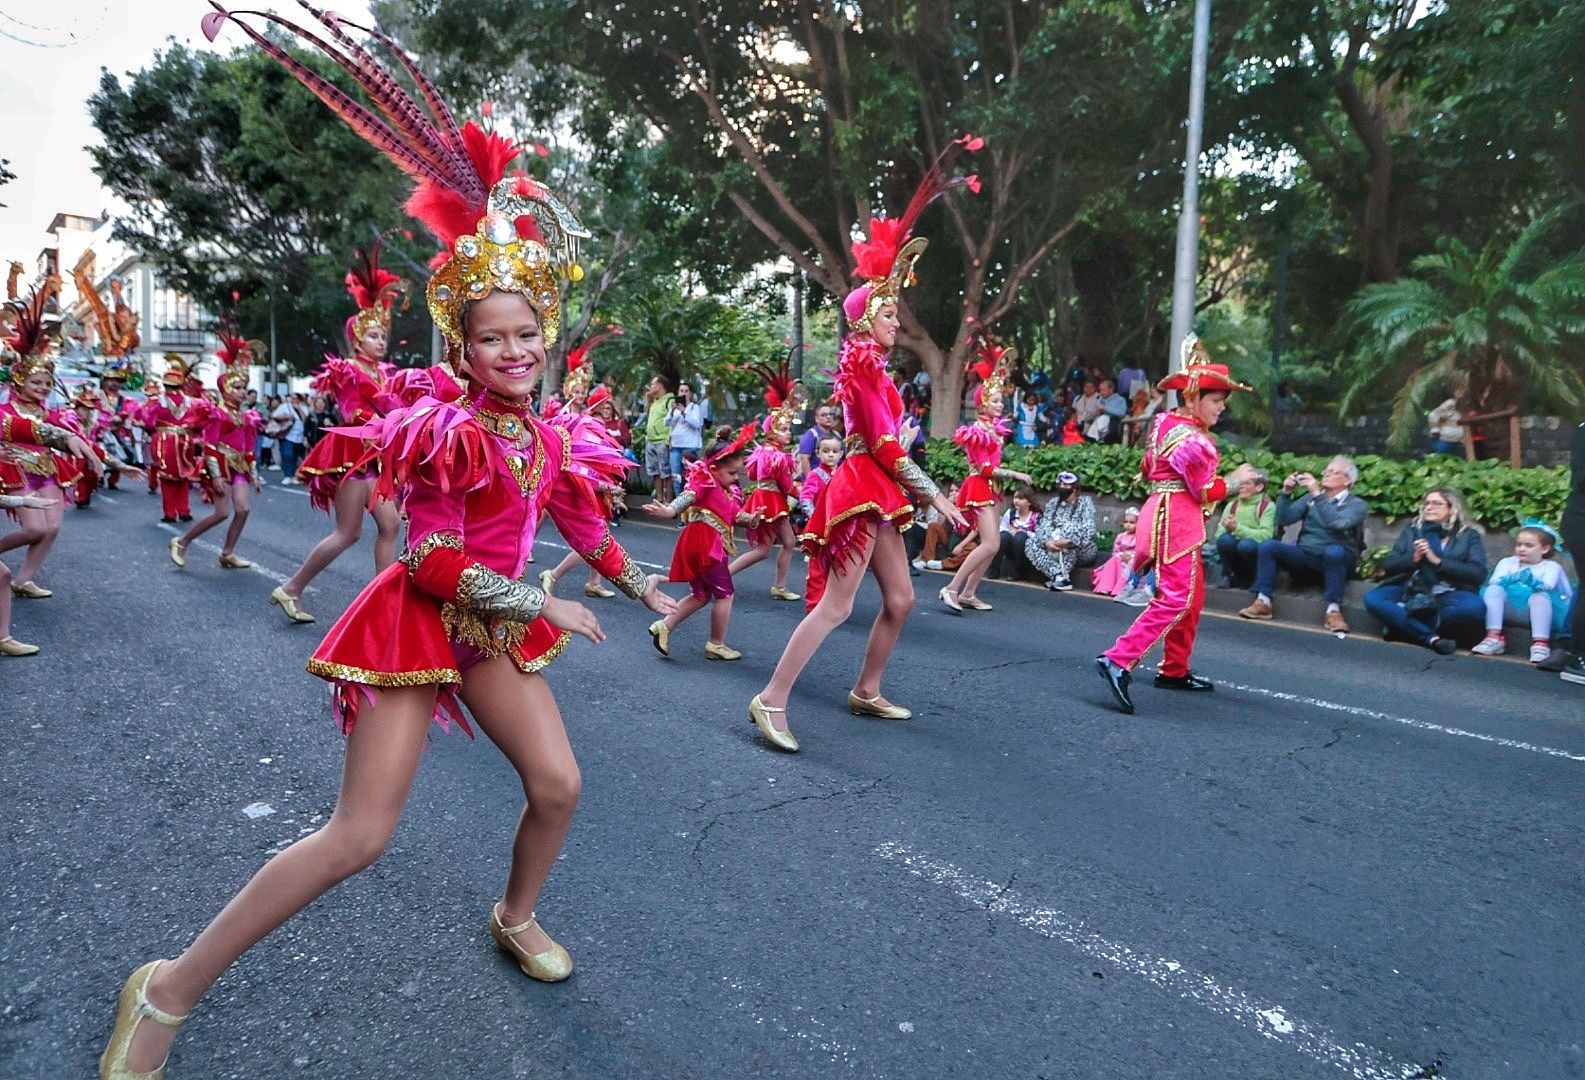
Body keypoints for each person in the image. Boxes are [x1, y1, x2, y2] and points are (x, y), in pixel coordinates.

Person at [99, 17, 677, 1078]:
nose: (512, 351)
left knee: (558, 786)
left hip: (491, 625)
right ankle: (166, 988)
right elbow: (424, 557)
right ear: (462, 346)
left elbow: (583, 519)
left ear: (545, 334)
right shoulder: (445, 428)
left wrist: (639, 580)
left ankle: (515, 913)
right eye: (491, 337)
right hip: (424, 621)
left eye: (525, 333)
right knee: (359, 838)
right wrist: (541, 604)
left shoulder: (547, 432)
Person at [750, 143, 973, 752]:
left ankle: (867, 689)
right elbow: (882, 445)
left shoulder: (877, 369)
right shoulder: (868, 371)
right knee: (837, 607)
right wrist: (936, 497)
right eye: (888, 314)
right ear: (864, 318)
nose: (897, 322)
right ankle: (771, 699)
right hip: (862, 488)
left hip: (879, 491)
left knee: (900, 599)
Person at [1095, 342, 1253, 714]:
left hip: (1170, 512)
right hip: (1177, 519)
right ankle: (1118, 659)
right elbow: (1202, 490)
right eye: (1217, 400)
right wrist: (1236, 481)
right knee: (1176, 597)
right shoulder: (1194, 440)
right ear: (1195, 396)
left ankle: (1174, 669)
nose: (1222, 407)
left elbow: (1150, 468)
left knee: (1192, 597)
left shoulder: (1167, 422)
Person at [270, 240, 406, 624]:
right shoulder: (347, 370)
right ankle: (292, 587)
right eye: (375, 336)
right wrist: (389, 411)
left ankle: (384, 602)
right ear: (357, 337)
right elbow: (354, 412)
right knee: (348, 534)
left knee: (391, 525)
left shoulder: (385, 373)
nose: (382, 342)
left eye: (384, 336)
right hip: (352, 455)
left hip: (375, 458)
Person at [0, 278, 103, 604]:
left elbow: (71, 437)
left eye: (47, 382)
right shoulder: (4, 410)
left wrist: (104, 460)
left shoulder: (52, 414)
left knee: (53, 527)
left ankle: (24, 579)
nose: (44, 387)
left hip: (46, 470)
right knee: (34, 529)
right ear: (20, 380)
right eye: (37, 381)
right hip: (15, 468)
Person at [645, 424, 763, 659]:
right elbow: (688, 496)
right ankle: (716, 643)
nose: (735, 478)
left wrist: (751, 520)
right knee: (725, 594)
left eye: (737, 474)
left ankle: (664, 626)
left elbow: (732, 514)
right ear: (714, 468)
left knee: (700, 595)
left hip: (700, 544)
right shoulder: (706, 482)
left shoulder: (724, 489)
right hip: (706, 546)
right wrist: (670, 510)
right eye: (731, 474)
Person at [940, 334, 1034, 612]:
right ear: (982, 404)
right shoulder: (978, 431)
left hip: (991, 489)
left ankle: (968, 592)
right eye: (994, 400)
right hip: (980, 485)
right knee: (991, 543)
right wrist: (1016, 475)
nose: (999, 404)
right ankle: (951, 587)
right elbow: (985, 468)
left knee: (991, 545)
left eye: (999, 399)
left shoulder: (992, 429)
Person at [167, 326, 264, 572]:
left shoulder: (248, 416)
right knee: (222, 513)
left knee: (243, 509)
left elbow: (249, 447)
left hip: (240, 466)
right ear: (225, 389)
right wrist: (217, 475)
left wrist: (254, 474)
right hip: (221, 465)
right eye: (237, 388)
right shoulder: (217, 414)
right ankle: (182, 541)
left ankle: (228, 553)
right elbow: (210, 445)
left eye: (244, 388)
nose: (242, 392)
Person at [1239, 456, 1369, 632]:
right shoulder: (1310, 498)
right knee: (1269, 546)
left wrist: (1317, 494)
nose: (1327, 475)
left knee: (1334, 552)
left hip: (1337, 560)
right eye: (1326, 471)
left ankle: (1334, 611)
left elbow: (1338, 523)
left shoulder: (1357, 504)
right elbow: (1285, 519)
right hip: (1307, 555)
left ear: (1347, 480)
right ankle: (1263, 602)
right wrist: (1286, 493)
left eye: (1333, 472)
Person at [1361, 488, 1487, 654]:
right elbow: (1390, 566)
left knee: (1474, 608)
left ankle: (1403, 629)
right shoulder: (1413, 529)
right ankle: (1431, 638)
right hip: (1410, 589)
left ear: (1451, 508)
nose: (1429, 507)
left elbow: (1477, 573)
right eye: (1426, 503)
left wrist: (1437, 561)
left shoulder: (1468, 535)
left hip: (1448, 591)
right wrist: (1413, 558)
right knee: (1373, 598)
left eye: (1436, 503)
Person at [729, 358, 805, 600]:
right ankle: (778, 586)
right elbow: (786, 485)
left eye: (788, 429)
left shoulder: (762, 452)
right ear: (772, 431)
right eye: (784, 430)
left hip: (762, 498)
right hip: (772, 501)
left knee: (767, 549)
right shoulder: (779, 457)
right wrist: (804, 493)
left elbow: (751, 475)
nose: (788, 433)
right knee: (785, 543)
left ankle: (774, 584)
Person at [1471, 524, 1574, 664]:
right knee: (1493, 590)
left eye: (1529, 545)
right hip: (1510, 608)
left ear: (1545, 548)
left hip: (1537, 611)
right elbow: (1495, 580)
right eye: (1519, 544)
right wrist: (1509, 579)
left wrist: (1533, 582)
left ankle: (1540, 644)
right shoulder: (1507, 562)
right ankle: (1493, 637)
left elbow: (1548, 585)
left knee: (1540, 596)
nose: (1522, 549)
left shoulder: (1551, 567)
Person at [139, 355, 201, 523]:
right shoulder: (192, 402)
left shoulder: (156, 402)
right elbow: (200, 421)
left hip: (165, 441)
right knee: (184, 477)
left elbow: (149, 423)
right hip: (185, 441)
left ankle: (170, 512)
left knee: (167, 479)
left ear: (165, 385)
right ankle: (184, 510)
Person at [1024, 471, 1097, 591]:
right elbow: (1043, 525)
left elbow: (1089, 529)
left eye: (1066, 485)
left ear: (1075, 488)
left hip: (1079, 548)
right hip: (1053, 544)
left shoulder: (1085, 504)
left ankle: (1061, 577)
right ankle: (1059, 576)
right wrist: (1048, 542)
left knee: (1068, 531)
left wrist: (1067, 541)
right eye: (1061, 484)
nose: (1062, 487)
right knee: (1031, 543)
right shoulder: (1053, 503)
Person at [1214, 465, 1276, 588]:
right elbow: (1219, 534)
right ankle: (1227, 575)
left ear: (1259, 487)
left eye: (1247, 483)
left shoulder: (1267, 507)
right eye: (1240, 483)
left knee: (1246, 545)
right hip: (1234, 551)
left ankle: (1255, 576)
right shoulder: (1232, 505)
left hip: (1252, 551)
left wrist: (1237, 529)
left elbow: (1266, 535)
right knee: (1224, 540)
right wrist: (1227, 527)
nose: (1241, 487)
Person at [989, 485, 1040, 580]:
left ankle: (1019, 572)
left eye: (1020, 498)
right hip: (1010, 548)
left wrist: (1024, 532)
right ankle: (994, 570)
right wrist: (1010, 531)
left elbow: (1040, 536)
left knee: (1020, 537)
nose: (1016, 501)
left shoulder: (1036, 516)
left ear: (1029, 502)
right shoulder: (1010, 513)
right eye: (1015, 498)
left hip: (1026, 550)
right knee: (1003, 536)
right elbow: (1001, 528)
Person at [1091, 506, 1141, 596]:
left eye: (1132, 522)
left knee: (1131, 564)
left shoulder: (1139, 537)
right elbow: (1116, 551)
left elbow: (1140, 551)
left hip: (1132, 560)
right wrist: (1120, 555)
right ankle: (1105, 586)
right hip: (1121, 559)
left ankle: (1120, 589)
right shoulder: (1121, 536)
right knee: (1114, 560)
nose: (1128, 525)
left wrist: (1131, 557)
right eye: (1126, 522)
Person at [641, 374, 675, 502]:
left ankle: (669, 500)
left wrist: (669, 438)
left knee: (666, 471)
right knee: (654, 471)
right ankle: (659, 498)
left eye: (653, 384)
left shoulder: (669, 400)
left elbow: (672, 420)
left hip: (662, 440)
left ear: (660, 385)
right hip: (650, 440)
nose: (651, 386)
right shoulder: (654, 401)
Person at [667, 379, 704, 493]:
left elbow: (697, 423)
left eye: (686, 391)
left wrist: (684, 412)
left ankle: (690, 503)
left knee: (690, 476)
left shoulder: (694, 408)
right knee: (676, 477)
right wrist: (673, 411)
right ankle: (678, 503)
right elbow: (667, 423)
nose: (683, 393)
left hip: (690, 447)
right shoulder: (675, 409)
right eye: (681, 391)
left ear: (691, 393)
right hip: (676, 447)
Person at [796, 401, 840, 477]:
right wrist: (810, 481)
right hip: (817, 481)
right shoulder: (810, 435)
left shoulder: (836, 435)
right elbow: (804, 459)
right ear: (816, 419)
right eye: (824, 415)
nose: (828, 417)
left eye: (830, 414)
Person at [1084, 377, 1127, 442]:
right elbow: (1091, 415)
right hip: (1096, 426)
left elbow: (1122, 413)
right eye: (1100, 390)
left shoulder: (1120, 400)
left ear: (1111, 390)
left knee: (1104, 417)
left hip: (1112, 427)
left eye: (1103, 390)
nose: (1101, 393)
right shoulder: (1099, 399)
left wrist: (1105, 409)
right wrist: (1095, 413)